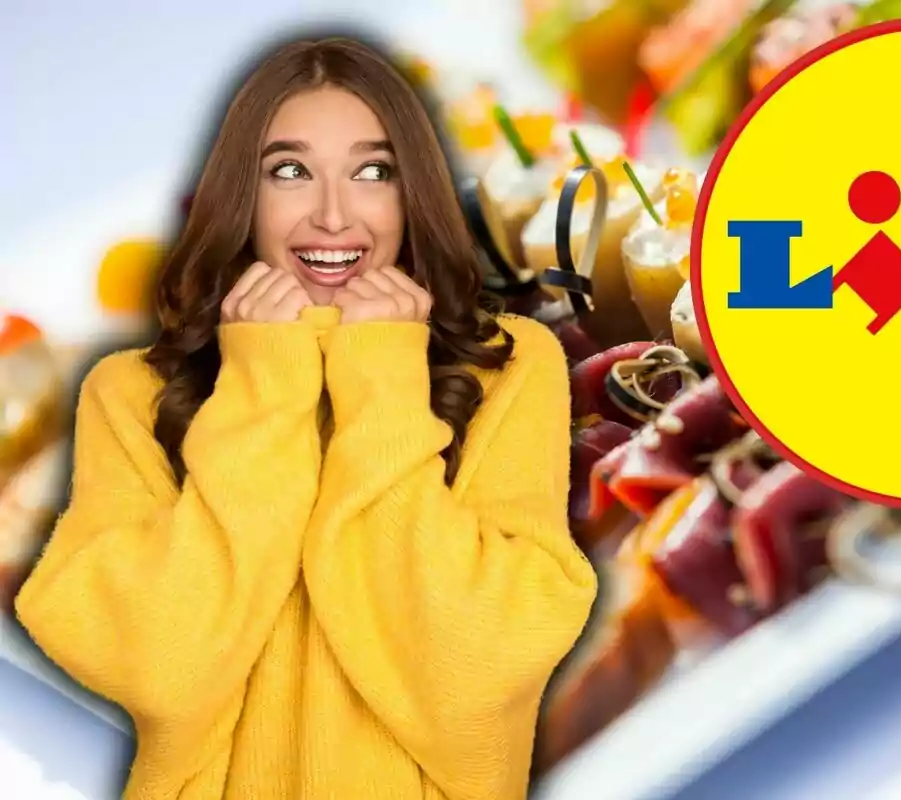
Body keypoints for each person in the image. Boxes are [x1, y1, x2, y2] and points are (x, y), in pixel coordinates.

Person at [15, 35, 598, 800]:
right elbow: (162, 671)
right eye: (289, 172)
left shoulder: (512, 363)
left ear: (413, 191)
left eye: (373, 171)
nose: (332, 215)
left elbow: (476, 672)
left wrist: (384, 380)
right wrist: (265, 388)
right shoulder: (128, 392)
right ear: (239, 199)